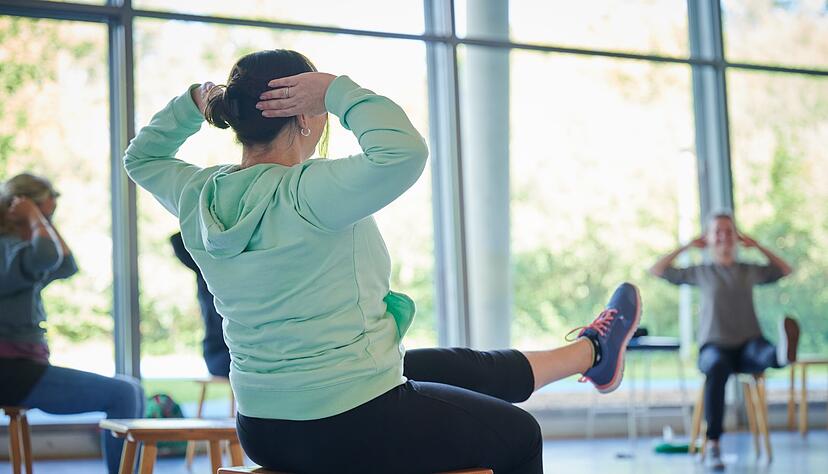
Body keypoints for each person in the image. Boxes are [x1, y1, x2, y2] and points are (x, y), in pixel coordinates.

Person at [123, 49, 642, 474]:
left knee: (446, 367)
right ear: (304, 114)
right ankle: (592, 354)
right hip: (346, 424)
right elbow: (404, 151)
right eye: (317, 105)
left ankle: (592, 352)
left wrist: (195, 102)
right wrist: (337, 90)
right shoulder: (310, 192)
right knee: (520, 435)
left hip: (263, 426)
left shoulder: (197, 195)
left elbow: (140, 157)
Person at [0, 173, 144, 474]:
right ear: (20, 209)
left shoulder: (20, 254)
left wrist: (38, 220)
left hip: (22, 369)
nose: (48, 223)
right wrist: (35, 218)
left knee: (131, 389)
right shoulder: (9, 251)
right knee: (125, 394)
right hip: (12, 372)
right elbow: (50, 253)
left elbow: (66, 264)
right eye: (45, 214)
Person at [650, 212, 798, 469]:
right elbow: (657, 270)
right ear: (707, 238)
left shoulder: (748, 270)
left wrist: (758, 245)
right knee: (717, 368)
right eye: (717, 231)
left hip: (748, 344)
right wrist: (687, 246)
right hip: (714, 347)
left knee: (762, 352)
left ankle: (782, 354)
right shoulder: (701, 272)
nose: (723, 237)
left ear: (737, 237)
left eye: (729, 231)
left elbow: (785, 269)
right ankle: (714, 445)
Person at [170, 231, 231, 377]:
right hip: (220, 355)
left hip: (234, 350)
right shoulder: (205, 272)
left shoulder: (231, 273)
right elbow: (177, 241)